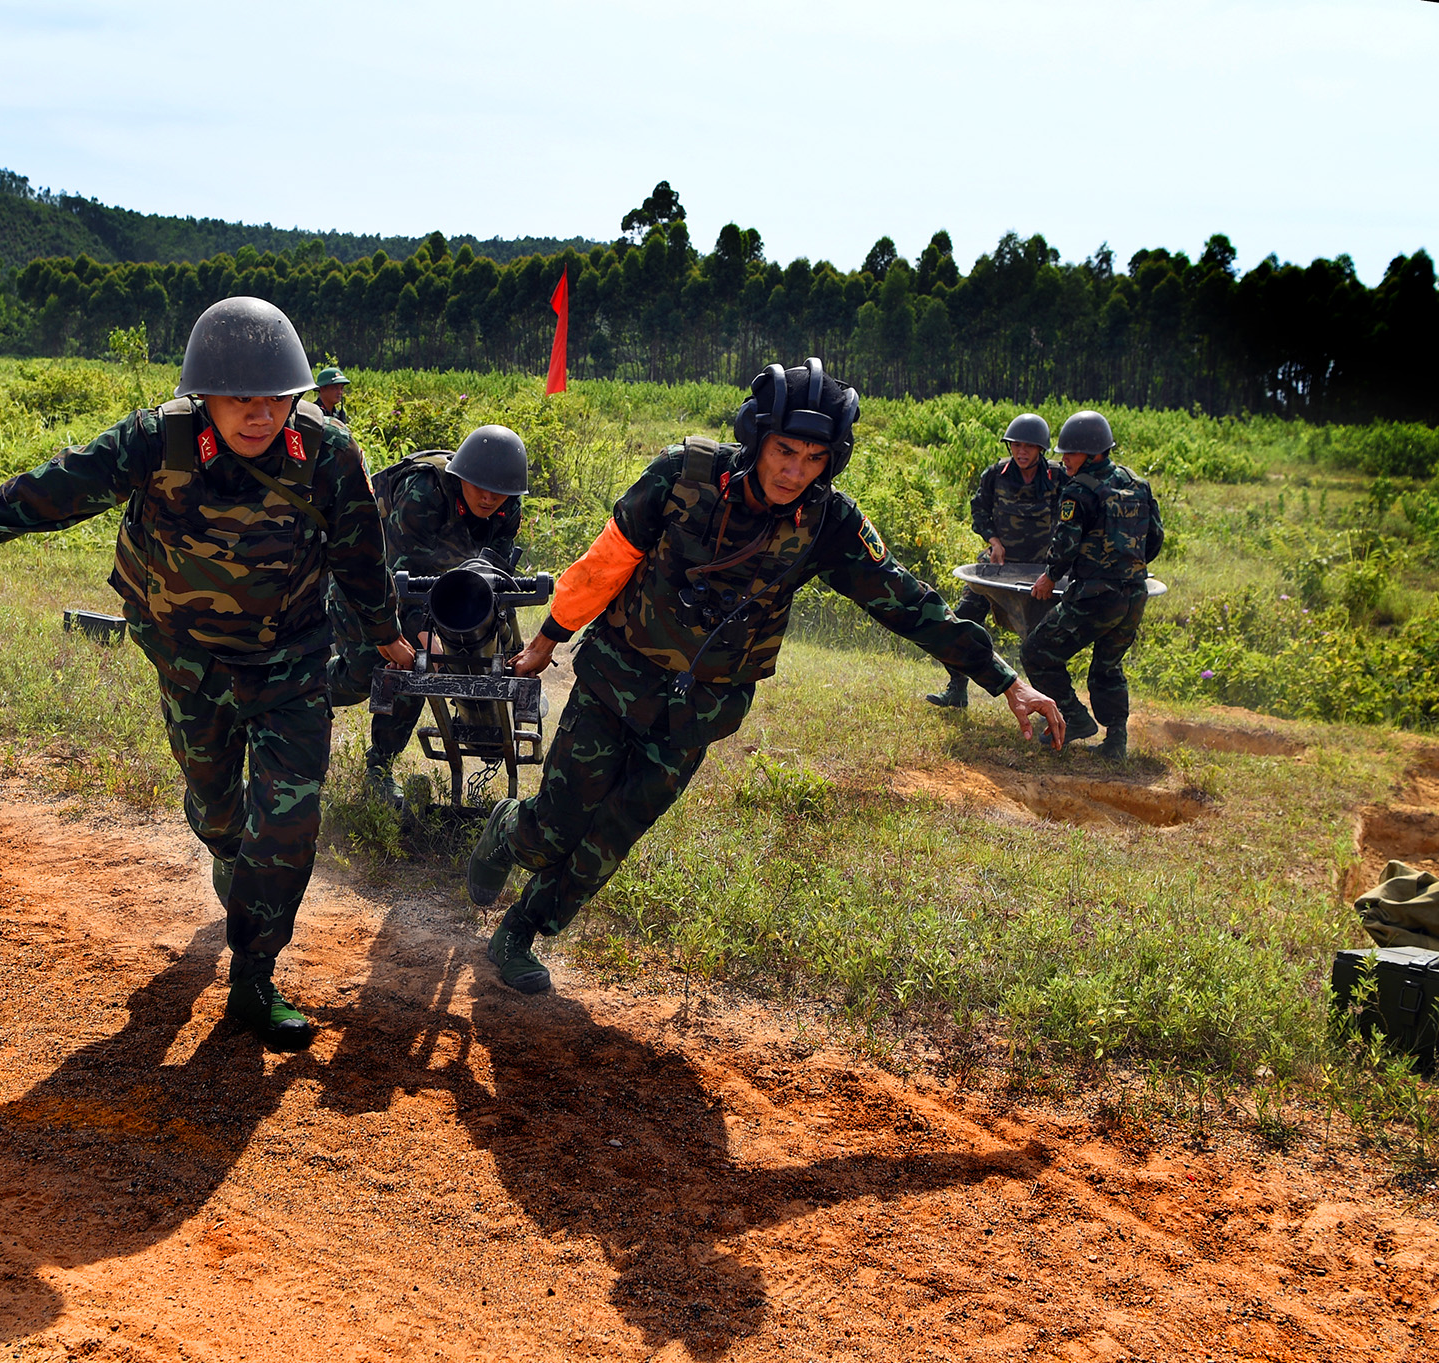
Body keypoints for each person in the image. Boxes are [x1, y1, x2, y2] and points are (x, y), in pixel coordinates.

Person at [0, 298, 413, 1050]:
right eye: (239, 398)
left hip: (290, 656)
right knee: (221, 817)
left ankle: (254, 975)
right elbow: (35, 498)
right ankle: (236, 864)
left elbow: (361, 554)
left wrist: (386, 633)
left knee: (290, 821)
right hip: (186, 656)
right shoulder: (153, 441)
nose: (259, 415)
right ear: (204, 396)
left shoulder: (329, 453)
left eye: (276, 398)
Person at [464, 359, 1067, 994]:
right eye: (784, 451)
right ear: (757, 439)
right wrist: (548, 637)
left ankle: (522, 931)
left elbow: (907, 602)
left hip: (697, 711)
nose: (794, 471)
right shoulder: (683, 476)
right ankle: (508, 831)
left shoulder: (829, 522)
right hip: (616, 680)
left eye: (813, 458)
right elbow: (610, 557)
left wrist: (1007, 681)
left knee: (609, 839)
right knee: (553, 829)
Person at [326, 424, 529, 807]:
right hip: (367, 586)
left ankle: (379, 767)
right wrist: (423, 632)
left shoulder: (507, 509)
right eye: (479, 486)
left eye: (499, 491)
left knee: (424, 665)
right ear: (460, 477)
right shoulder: (424, 493)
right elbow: (399, 577)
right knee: (365, 672)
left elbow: (494, 575)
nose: (488, 497)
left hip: (437, 592)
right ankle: (293, 697)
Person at [1025, 410, 1164, 760]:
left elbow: (1066, 544)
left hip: (1095, 596)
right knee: (1108, 666)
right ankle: (1116, 741)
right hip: (1133, 595)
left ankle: (1073, 719)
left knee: (1037, 652)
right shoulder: (1137, 484)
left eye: (1070, 453)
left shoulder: (1079, 490)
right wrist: (1129, 568)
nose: (1064, 459)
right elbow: (1155, 540)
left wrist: (1050, 576)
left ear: (1094, 453)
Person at [926, 412, 1057, 708]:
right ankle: (957, 688)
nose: (1021, 452)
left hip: (1041, 571)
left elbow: (1072, 518)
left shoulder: (1056, 477)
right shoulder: (996, 474)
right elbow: (979, 510)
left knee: (1043, 641)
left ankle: (1050, 703)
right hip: (999, 564)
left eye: (1029, 446)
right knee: (961, 620)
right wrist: (993, 541)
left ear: (1041, 450)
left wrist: (1058, 561)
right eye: (1016, 445)